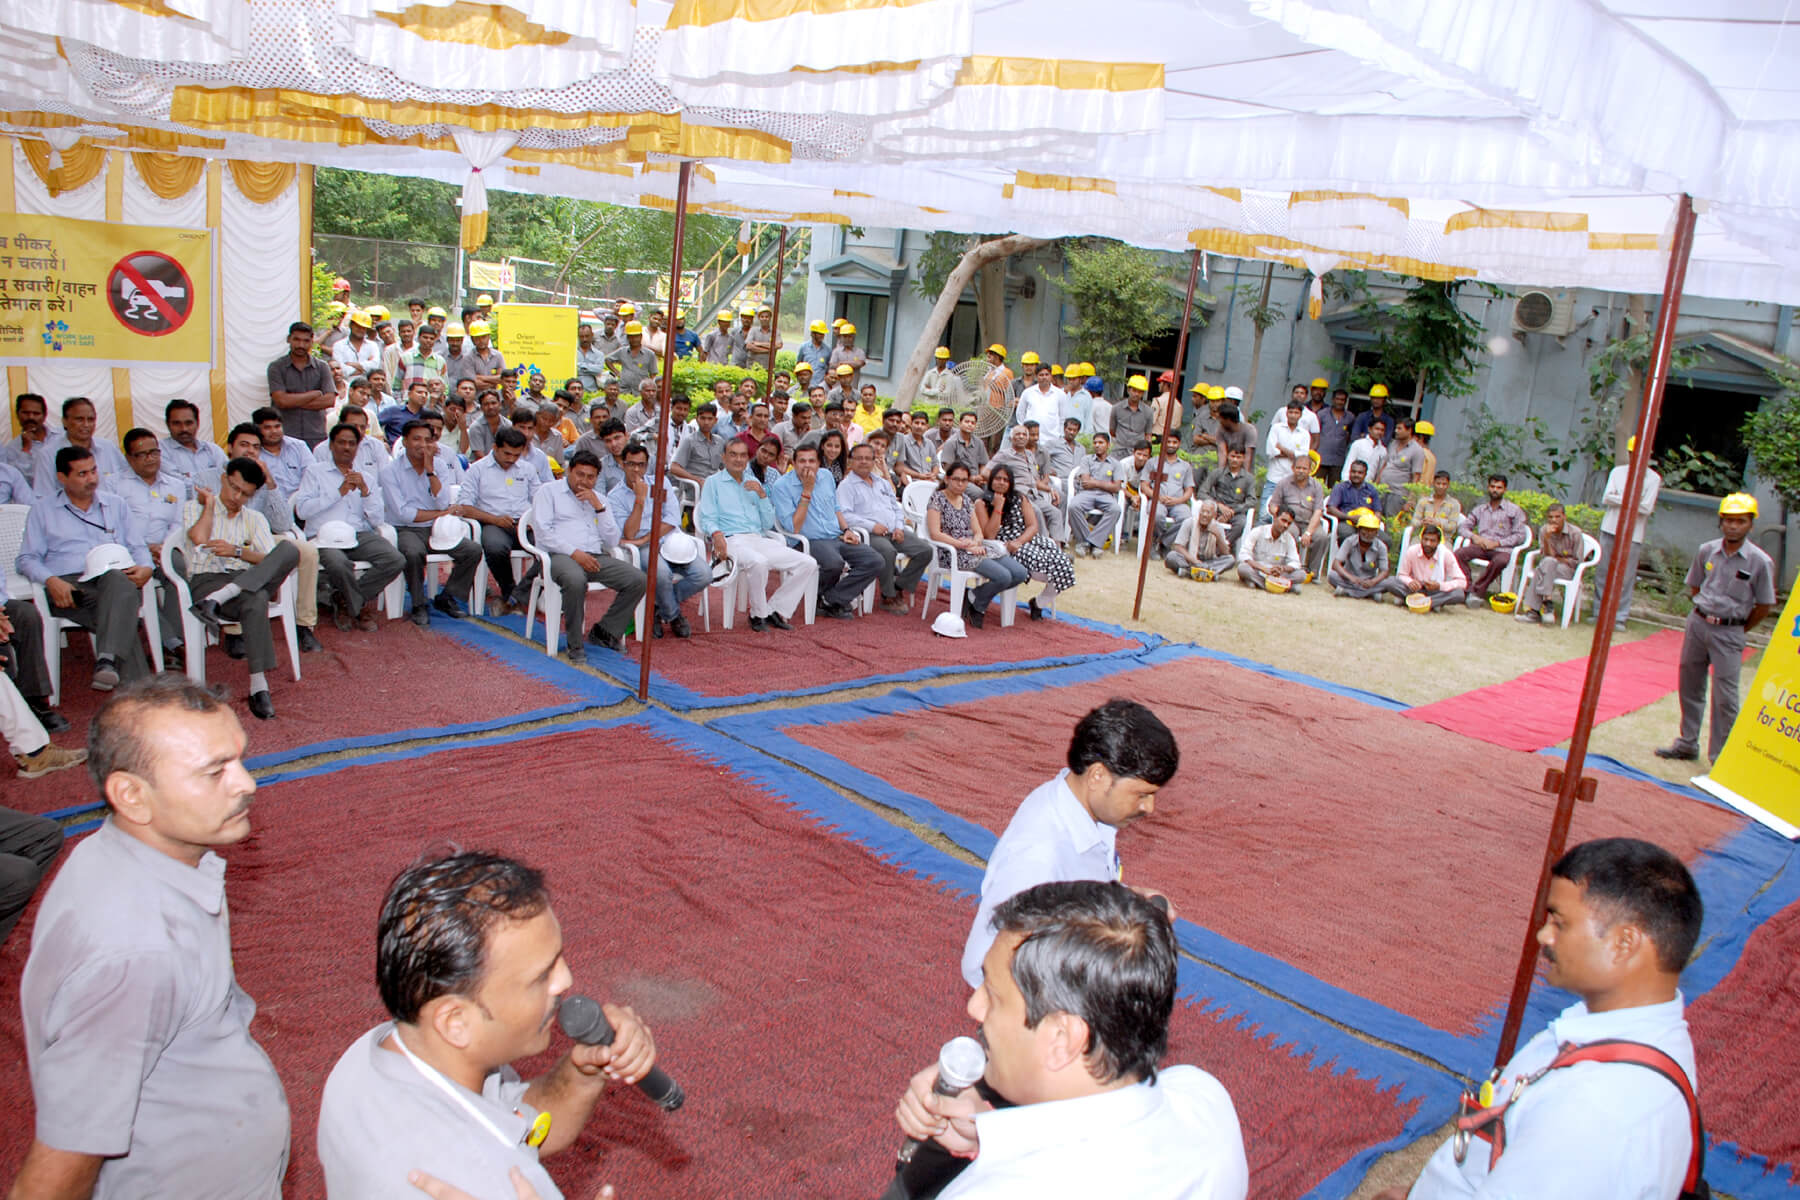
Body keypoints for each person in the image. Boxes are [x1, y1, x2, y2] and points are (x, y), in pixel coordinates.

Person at [15, 675, 290, 1198]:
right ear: (131, 796)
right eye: (215, 772)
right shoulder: (135, 952)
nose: (247, 783)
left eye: (239, 759)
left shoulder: (137, 857)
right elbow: (60, 1168)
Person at [317, 850, 655, 1200]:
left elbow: (516, 1123)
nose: (565, 980)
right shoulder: (496, 1184)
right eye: (541, 976)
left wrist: (585, 1072)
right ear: (456, 1022)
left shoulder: (375, 1054)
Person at [1380, 838, 1703, 1200]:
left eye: (1560, 923)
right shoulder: (1630, 1026)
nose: (1543, 935)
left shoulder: (1593, 1114)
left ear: (1624, 943)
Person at [900, 880, 1246, 1199]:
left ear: (1063, 1039)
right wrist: (989, 1135)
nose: (974, 1007)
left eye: (992, 993)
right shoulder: (1207, 1103)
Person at [17, 446, 154, 690]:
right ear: (62, 478)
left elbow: (137, 546)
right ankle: (139, 692)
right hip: (69, 585)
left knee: (118, 584)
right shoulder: (43, 510)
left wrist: (146, 567)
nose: (91, 479)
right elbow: (27, 558)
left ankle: (107, 660)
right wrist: (51, 581)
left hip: (113, 577)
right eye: (82, 474)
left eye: (93, 471)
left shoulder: (115, 504)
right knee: (121, 610)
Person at [1655, 493, 1776, 763]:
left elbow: (1765, 605)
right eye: (1728, 521)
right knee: (1690, 684)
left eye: (1740, 522)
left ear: (1751, 525)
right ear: (1720, 522)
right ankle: (1687, 743)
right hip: (1699, 623)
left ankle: (1720, 757)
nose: (1733, 526)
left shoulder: (1760, 562)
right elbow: (1695, 586)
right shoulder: (1707, 551)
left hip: (1731, 631)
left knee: (1726, 697)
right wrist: (1704, 614)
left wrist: (1738, 628)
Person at [183, 456, 301, 720]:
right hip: (208, 579)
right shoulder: (196, 507)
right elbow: (198, 539)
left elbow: (270, 558)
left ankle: (222, 597)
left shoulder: (255, 518)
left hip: (241, 580)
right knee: (256, 596)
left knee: (289, 550)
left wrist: (239, 552)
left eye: (245, 494)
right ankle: (259, 687)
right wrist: (211, 505)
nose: (236, 497)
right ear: (223, 478)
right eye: (233, 487)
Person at [528, 449, 647, 659]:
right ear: (569, 471)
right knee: (575, 580)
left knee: (637, 579)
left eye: (590, 477)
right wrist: (575, 553)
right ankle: (575, 644)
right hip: (560, 556)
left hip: (595, 557)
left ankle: (606, 631)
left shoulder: (599, 499)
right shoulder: (549, 492)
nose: (584, 481)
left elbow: (611, 540)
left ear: (596, 478)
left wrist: (599, 507)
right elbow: (543, 533)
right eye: (580, 474)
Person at [698, 438, 817, 631]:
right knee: (759, 562)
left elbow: (768, 523)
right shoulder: (713, 482)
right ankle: (758, 614)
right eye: (733, 455)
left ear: (748, 458)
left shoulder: (752, 482)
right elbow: (707, 517)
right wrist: (716, 534)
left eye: (743, 455)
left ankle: (776, 609)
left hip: (757, 538)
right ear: (724, 457)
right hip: (731, 540)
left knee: (807, 563)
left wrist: (762, 496)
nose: (738, 459)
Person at [298, 421, 406, 631]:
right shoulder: (315, 472)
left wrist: (365, 491)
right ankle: (358, 606)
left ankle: (344, 599)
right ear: (331, 445)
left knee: (395, 559)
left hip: (357, 535)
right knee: (338, 564)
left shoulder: (365, 477)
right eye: (341, 443)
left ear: (357, 448)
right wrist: (338, 492)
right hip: (323, 537)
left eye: (351, 444)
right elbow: (302, 510)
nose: (346, 448)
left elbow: (376, 520)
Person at [384, 420, 483, 627]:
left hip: (437, 527)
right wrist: (440, 513)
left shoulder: (438, 465)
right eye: (416, 439)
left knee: (472, 550)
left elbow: (443, 501)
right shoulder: (390, 470)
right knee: (412, 552)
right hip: (406, 529)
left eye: (428, 440)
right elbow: (403, 514)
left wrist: (430, 471)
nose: (423, 445)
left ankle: (447, 597)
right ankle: (419, 604)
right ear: (404, 441)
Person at [771, 438, 883, 620]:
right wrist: (806, 491)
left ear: (819, 463)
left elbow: (835, 508)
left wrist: (846, 530)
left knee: (875, 560)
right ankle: (828, 600)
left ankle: (830, 599)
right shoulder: (782, 486)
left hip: (836, 536)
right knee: (834, 563)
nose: (807, 466)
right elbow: (794, 527)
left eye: (812, 461)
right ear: (794, 463)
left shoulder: (825, 476)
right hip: (808, 540)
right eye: (802, 461)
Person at [609, 441, 707, 639]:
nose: (637, 469)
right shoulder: (615, 496)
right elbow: (629, 534)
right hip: (640, 548)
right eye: (631, 464)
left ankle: (655, 607)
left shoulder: (661, 483)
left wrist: (647, 537)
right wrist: (639, 499)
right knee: (661, 575)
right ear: (622, 464)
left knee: (704, 574)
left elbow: (672, 518)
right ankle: (674, 615)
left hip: (668, 539)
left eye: (641, 464)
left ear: (647, 465)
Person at [115, 427, 192, 665]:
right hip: (129, 552)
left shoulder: (175, 484)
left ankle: (171, 643)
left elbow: (179, 522)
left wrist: (164, 547)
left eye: (154, 452)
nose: (151, 459)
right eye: (142, 454)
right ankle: (172, 643)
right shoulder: (115, 486)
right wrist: (144, 548)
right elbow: (113, 528)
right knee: (131, 584)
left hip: (164, 549)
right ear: (129, 458)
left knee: (178, 568)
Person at [927, 463, 1028, 631]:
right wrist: (963, 545)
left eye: (965, 480)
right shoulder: (937, 499)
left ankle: (974, 596)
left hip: (974, 549)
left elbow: (978, 532)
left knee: (1019, 573)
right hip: (952, 551)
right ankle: (978, 606)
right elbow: (935, 533)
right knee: (1003, 577)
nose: (960, 484)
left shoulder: (966, 500)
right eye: (956, 480)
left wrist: (976, 541)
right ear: (947, 479)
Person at [840, 442, 931, 615]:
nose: (864, 462)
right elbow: (845, 515)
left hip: (893, 531)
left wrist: (899, 527)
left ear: (874, 461)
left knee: (925, 550)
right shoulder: (846, 486)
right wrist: (872, 526)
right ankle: (887, 596)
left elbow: (896, 507)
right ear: (851, 461)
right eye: (859, 458)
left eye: (868, 458)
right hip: (868, 534)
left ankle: (898, 586)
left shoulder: (881, 482)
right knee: (888, 551)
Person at [978, 464, 1075, 619]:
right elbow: (989, 535)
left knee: (1064, 566)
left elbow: (1033, 526)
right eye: (997, 479)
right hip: (1002, 545)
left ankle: (1039, 603)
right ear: (990, 481)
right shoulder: (982, 503)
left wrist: (1020, 541)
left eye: (1006, 480)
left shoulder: (1020, 498)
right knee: (1045, 565)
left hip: (1025, 540)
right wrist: (998, 507)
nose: (1001, 482)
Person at [1596, 436, 1661, 630]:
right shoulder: (1618, 472)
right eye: (1635, 453)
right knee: (1603, 571)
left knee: (1625, 576)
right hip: (1610, 528)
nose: (1638, 457)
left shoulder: (1653, 478)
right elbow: (1607, 497)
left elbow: (1646, 508)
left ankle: (1619, 617)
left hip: (1633, 534)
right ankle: (1598, 612)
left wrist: (1621, 498)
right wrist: (1633, 500)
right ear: (1630, 454)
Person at [30, 397, 130, 497]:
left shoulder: (108, 447)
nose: (86, 425)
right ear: (64, 421)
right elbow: (44, 496)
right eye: (79, 419)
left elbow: (128, 482)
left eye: (90, 419)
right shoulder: (48, 454)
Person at [1455, 474, 1530, 604]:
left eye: (1499, 487)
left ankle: (1477, 591)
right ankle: (1467, 587)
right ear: (1488, 487)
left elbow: (1520, 535)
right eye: (1492, 486)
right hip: (1481, 546)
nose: (1495, 490)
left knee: (1500, 561)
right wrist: (1475, 537)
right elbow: (1463, 527)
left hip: (1502, 549)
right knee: (1459, 554)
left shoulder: (1514, 510)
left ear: (1505, 490)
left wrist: (1497, 543)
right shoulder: (1480, 509)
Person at [268, 320, 337, 447]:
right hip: (285, 436)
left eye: (306, 341)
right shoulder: (276, 367)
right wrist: (314, 394)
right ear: (289, 339)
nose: (301, 345)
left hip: (316, 436)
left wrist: (292, 401)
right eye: (297, 340)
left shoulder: (322, 367)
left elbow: (329, 401)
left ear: (312, 342)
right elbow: (281, 401)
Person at [1516, 503, 1586, 624]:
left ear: (1564, 516)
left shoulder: (1575, 533)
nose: (1554, 520)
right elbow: (1547, 556)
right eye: (1550, 517)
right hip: (1550, 566)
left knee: (1541, 569)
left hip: (1568, 570)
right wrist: (1547, 538)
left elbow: (1577, 562)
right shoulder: (1544, 530)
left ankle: (1534, 612)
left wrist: (1559, 560)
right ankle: (1547, 604)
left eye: (1557, 516)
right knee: (1548, 563)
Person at [1268, 451, 1329, 577]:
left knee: (1321, 537)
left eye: (1304, 468)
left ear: (1310, 470)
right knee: (1290, 532)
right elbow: (1273, 505)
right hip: (1290, 521)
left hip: (1309, 521)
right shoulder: (1283, 483)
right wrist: (1279, 515)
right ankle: (1288, 568)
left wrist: (1308, 532)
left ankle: (1312, 572)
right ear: (1293, 468)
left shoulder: (1316, 486)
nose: (1301, 471)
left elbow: (1318, 511)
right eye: (1298, 468)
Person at [1386, 522, 1467, 610]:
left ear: (1438, 542)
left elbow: (1462, 582)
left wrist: (1439, 586)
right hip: (1415, 589)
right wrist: (1410, 582)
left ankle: (1421, 602)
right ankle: (1429, 603)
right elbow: (1402, 574)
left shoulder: (1446, 554)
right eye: (1425, 539)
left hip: (1436, 592)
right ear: (1421, 539)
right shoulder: (1412, 551)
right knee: (1391, 581)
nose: (1428, 543)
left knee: (1458, 594)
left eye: (1432, 541)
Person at [1069, 432, 1122, 556]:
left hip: (1106, 496)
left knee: (1115, 509)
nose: (1097, 445)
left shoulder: (1115, 464)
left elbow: (1116, 487)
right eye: (1095, 443)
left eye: (1101, 443)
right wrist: (1106, 484)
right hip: (1087, 493)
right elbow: (1086, 482)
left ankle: (1095, 542)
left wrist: (1096, 482)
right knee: (1073, 507)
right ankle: (1084, 541)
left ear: (1108, 445)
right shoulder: (1086, 460)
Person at [160, 398, 229, 493]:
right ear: (168, 424)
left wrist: (189, 475)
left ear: (197, 423)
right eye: (177, 423)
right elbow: (177, 485)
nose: (183, 428)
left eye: (188, 423)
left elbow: (229, 477)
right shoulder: (161, 450)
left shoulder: (212, 449)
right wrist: (212, 476)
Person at [1262, 396, 1311, 519]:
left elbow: (1302, 457)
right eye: (1291, 412)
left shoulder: (1305, 434)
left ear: (1301, 415)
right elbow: (1271, 451)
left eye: (1296, 413)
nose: (1293, 415)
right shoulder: (1276, 428)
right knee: (1264, 515)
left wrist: (1282, 448)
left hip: (1292, 480)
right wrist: (1293, 454)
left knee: (1286, 517)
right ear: (1286, 413)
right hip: (1274, 477)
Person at [1237, 508, 1305, 593]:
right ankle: (1282, 586)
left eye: (1289, 523)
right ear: (1275, 517)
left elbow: (1295, 562)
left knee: (1301, 574)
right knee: (1242, 568)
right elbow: (1244, 555)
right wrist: (1263, 569)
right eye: (1283, 521)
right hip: (1258, 571)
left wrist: (1282, 568)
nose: (1285, 525)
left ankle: (1259, 583)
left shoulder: (1289, 538)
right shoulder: (1258, 531)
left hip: (1278, 574)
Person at [1165, 500, 1236, 581]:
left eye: (1208, 512)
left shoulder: (1218, 527)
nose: (1204, 515)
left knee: (1230, 559)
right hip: (1189, 560)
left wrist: (1218, 536)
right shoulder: (1189, 522)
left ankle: (1189, 572)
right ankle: (1208, 574)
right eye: (1202, 511)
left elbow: (1226, 552)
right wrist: (1194, 561)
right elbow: (1178, 546)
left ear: (1214, 515)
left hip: (1208, 562)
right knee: (1171, 556)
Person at [1330, 512, 1393, 600]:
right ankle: (1371, 593)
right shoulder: (1350, 541)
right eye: (1366, 529)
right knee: (1332, 575)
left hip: (1369, 582)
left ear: (1376, 532)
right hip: (1350, 580)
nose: (1368, 533)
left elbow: (1384, 571)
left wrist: (1373, 582)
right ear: (1359, 530)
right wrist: (1351, 577)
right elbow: (1336, 564)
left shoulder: (1381, 546)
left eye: (1372, 530)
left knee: (1390, 582)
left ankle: (1347, 591)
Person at [1374, 417, 1427, 516]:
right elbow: (1385, 465)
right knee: (1374, 518)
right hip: (1382, 489)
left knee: (1390, 521)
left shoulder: (1417, 450)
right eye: (1396, 428)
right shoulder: (1393, 443)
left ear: (1409, 430)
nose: (1396, 431)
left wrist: (1410, 500)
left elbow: (1416, 477)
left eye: (1399, 428)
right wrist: (1375, 486)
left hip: (1398, 493)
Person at [3, 391, 51, 489]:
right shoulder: (12, 448)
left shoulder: (60, 436)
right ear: (17, 414)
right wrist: (26, 449)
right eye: (25, 413)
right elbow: (17, 482)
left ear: (45, 415)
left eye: (36, 413)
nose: (30, 417)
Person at [1315, 387, 1355, 486]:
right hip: (1321, 458)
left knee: (1335, 488)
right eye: (1337, 399)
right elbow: (1315, 433)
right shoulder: (1322, 414)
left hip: (1338, 460)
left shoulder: (1350, 417)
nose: (1340, 402)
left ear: (1346, 401)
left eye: (1342, 400)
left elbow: (1350, 435)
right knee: (1316, 485)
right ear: (1333, 399)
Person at [606, 321, 659, 394]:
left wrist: (650, 390)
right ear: (627, 337)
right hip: (623, 390)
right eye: (631, 336)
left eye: (636, 336)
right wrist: (617, 372)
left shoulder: (650, 354)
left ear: (641, 336)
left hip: (640, 392)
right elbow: (608, 359)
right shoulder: (622, 351)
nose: (634, 339)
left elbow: (653, 374)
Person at [1110, 376, 1154, 459]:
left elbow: (1148, 435)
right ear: (1128, 390)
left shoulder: (1148, 412)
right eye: (1134, 390)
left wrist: (1146, 453)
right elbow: (1112, 431)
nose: (1136, 394)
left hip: (1137, 454)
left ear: (1143, 393)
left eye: (1140, 392)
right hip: (1118, 451)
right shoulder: (1117, 408)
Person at [1409, 470, 1462, 538]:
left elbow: (1453, 526)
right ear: (1433, 483)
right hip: (1422, 538)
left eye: (1444, 484)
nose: (1441, 486)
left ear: (1448, 485)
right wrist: (1422, 522)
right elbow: (1414, 521)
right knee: (1413, 548)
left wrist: (1438, 524)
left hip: (1444, 539)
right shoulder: (1423, 501)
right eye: (1438, 483)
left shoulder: (1454, 504)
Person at [1343, 418, 1388, 486]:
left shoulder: (1383, 450)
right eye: (1377, 429)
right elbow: (1349, 463)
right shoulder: (1359, 444)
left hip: (1368, 486)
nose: (1379, 432)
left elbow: (1379, 472)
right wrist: (1346, 482)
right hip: (1352, 483)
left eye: (1382, 430)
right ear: (1369, 429)